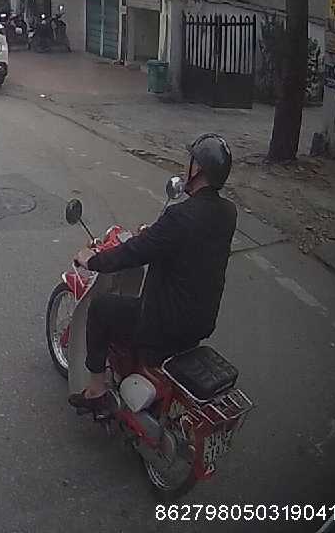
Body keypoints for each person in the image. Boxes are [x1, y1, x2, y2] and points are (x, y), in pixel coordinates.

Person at [69, 134, 237, 412]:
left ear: (198, 169)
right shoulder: (228, 213)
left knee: (100, 308)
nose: (186, 166)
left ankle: (96, 390)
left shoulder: (179, 217)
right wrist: (155, 236)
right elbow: (191, 246)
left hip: (164, 324)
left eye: (190, 161)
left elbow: (131, 254)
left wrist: (93, 260)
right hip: (200, 322)